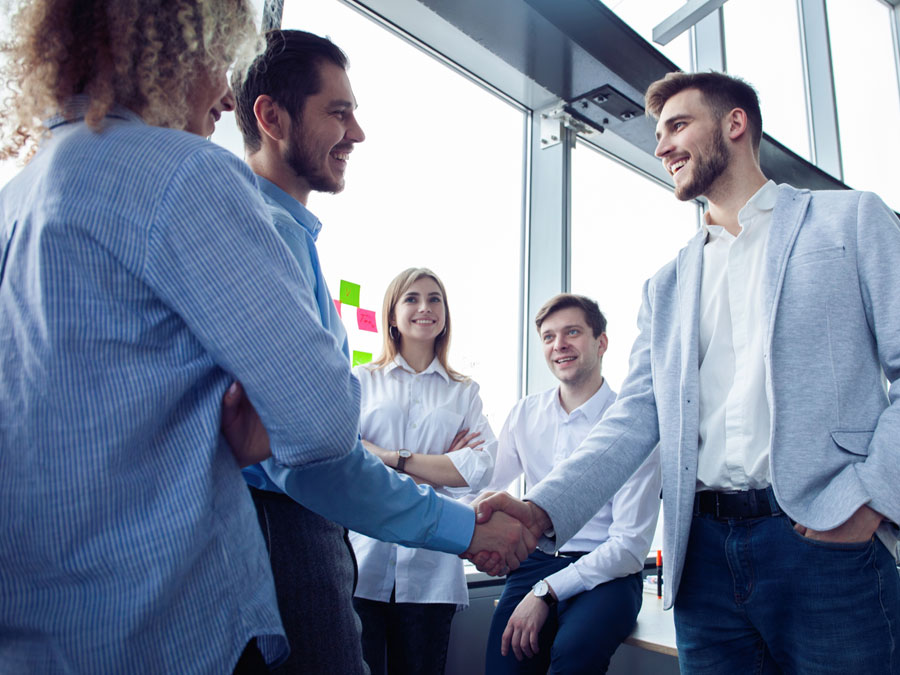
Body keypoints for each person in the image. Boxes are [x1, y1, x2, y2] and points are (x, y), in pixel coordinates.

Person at [473, 71, 900, 674]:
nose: (661, 146)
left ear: (735, 123)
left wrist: (869, 501)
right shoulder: (667, 285)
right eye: (657, 133)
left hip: (823, 540)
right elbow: (635, 417)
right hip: (701, 560)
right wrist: (541, 510)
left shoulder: (850, 222)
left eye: (677, 125)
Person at [0, 1, 363, 671]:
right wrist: (262, 423)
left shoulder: (14, 202)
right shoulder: (184, 172)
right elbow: (323, 421)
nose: (226, 91)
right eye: (215, 56)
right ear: (165, 45)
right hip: (169, 624)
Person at [225, 30, 532, 674]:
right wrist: (466, 526)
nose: (357, 132)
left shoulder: (283, 239)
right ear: (271, 116)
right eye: (338, 111)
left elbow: (476, 465)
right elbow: (319, 457)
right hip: (289, 534)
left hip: (320, 535)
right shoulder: (266, 241)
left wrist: (390, 461)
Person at [483, 293, 660, 674]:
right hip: (536, 564)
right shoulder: (525, 414)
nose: (559, 345)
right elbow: (487, 489)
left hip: (608, 573)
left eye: (572, 332)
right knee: (504, 664)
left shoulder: (635, 424)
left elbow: (628, 546)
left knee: (573, 656)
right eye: (548, 337)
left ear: (602, 342)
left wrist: (546, 592)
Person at [349, 267, 497, 675]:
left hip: (433, 569)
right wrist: (440, 467)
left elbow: (480, 468)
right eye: (411, 299)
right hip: (363, 560)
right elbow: (345, 457)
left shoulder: (463, 391)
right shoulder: (361, 381)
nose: (425, 307)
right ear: (392, 316)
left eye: (435, 299)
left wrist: (393, 458)